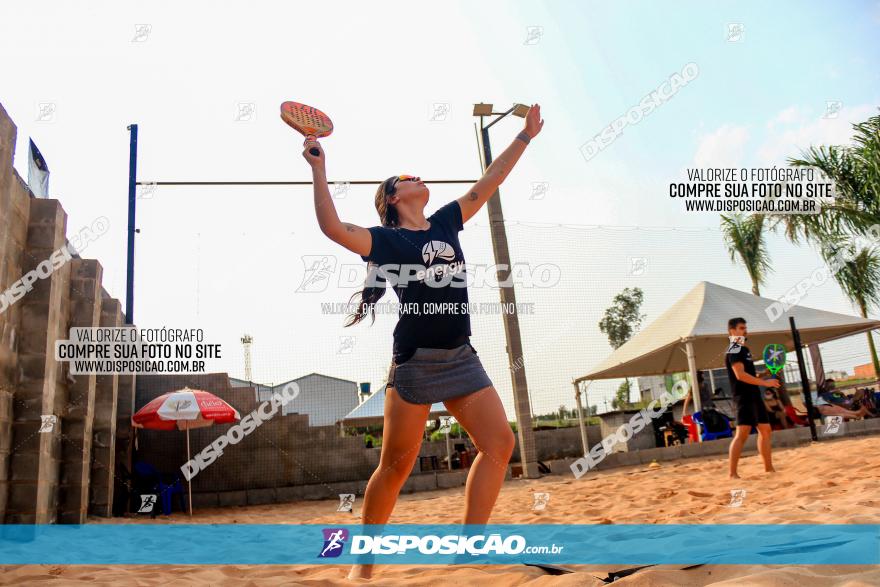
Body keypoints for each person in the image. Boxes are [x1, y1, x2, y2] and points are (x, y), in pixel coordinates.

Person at [301, 104, 543, 580]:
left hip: (461, 356)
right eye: (406, 177)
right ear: (393, 198)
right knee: (395, 467)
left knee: (499, 443)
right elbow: (332, 228)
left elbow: (488, 182)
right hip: (414, 363)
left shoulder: (448, 221)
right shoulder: (385, 241)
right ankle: (364, 563)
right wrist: (319, 168)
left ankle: (470, 549)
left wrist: (525, 137)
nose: (418, 178)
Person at [724, 317, 781, 479]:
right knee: (742, 434)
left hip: (754, 396)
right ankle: (732, 473)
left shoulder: (744, 349)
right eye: (741, 328)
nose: (745, 330)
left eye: (745, 327)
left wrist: (762, 375)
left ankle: (769, 469)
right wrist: (764, 382)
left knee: (765, 430)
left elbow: (748, 374)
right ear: (732, 331)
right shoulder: (734, 348)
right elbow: (740, 375)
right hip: (743, 398)